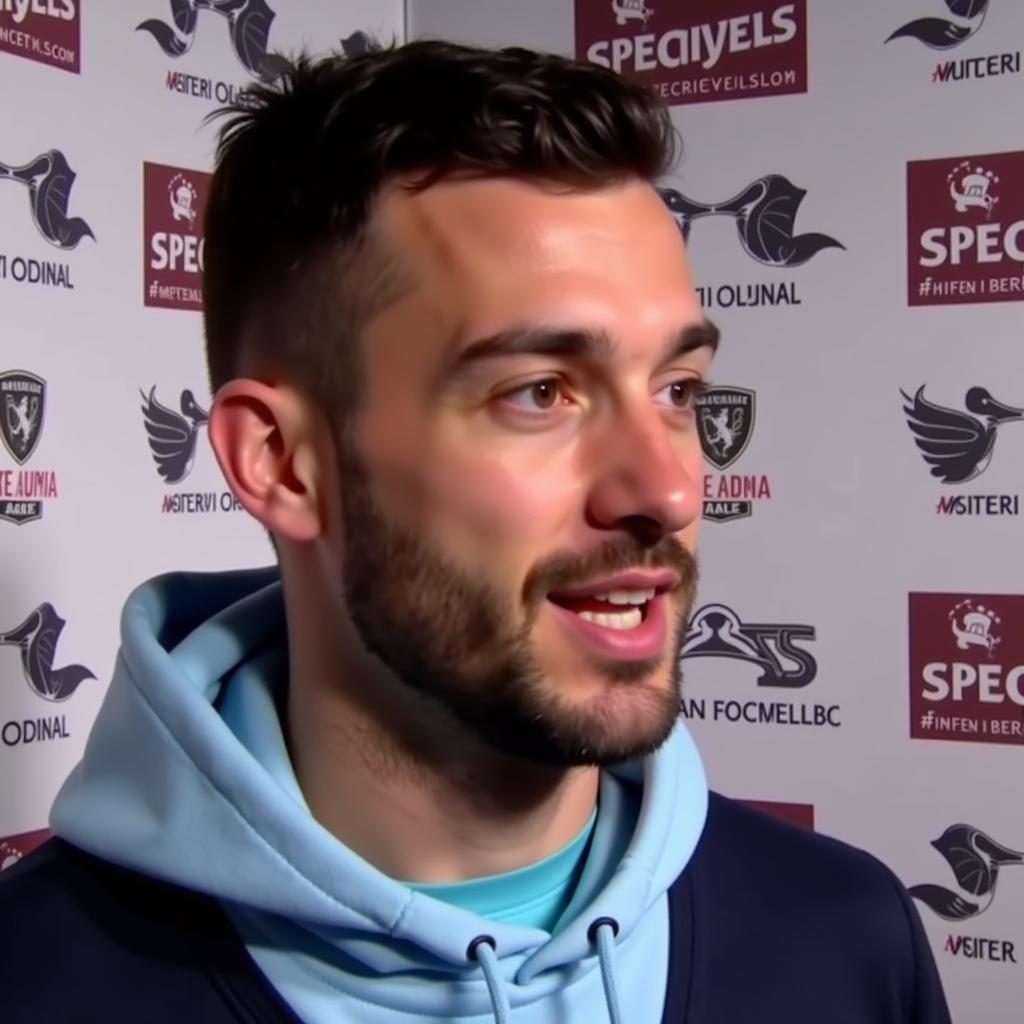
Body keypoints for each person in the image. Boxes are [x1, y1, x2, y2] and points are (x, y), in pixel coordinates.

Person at [0, 40, 950, 1023]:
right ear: (284, 462)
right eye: (540, 391)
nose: (664, 488)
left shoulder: (844, 938)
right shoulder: (34, 979)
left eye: (677, 390)